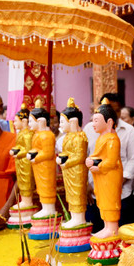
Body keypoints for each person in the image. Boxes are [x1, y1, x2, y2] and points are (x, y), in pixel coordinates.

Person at [84, 93, 134, 228]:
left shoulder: (128, 131)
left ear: (120, 110)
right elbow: (84, 156)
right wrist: (85, 183)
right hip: (94, 190)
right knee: (97, 229)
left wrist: (120, 180)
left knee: (117, 229)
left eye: (115, 110)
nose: (111, 113)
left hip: (120, 190)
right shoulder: (89, 128)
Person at [86, 100, 123, 239]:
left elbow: (112, 162)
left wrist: (97, 166)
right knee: (102, 201)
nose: (93, 124)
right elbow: (99, 156)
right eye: (93, 120)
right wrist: (91, 161)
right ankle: (107, 226)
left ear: (109, 122)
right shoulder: (102, 138)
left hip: (110, 176)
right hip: (102, 176)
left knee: (110, 201)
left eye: (96, 120)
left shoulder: (112, 139)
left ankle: (113, 228)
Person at [57, 98, 88, 229]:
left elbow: (80, 156)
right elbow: (67, 153)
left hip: (77, 170)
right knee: (70, 194)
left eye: (63, 122)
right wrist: (61, 158)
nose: (61, 125)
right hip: (68, 170)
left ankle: (79, 218)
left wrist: (67, 163)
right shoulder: (66, 137)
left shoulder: (80, 137)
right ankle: (74, 217)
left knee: (77, 193)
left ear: (73, 121)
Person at [26, 99, 57, 219]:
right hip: (39, 166)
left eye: (30, 121)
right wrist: (32, 153)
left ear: (40, 121)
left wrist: (36, 158)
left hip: (46, 167)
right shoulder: (37, 134)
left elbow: (48, 153)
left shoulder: (47, 135)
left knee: (46, 186)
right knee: (40, 186)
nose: (29, 124)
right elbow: (37, 149)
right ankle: (45, 208)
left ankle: (49, 209)